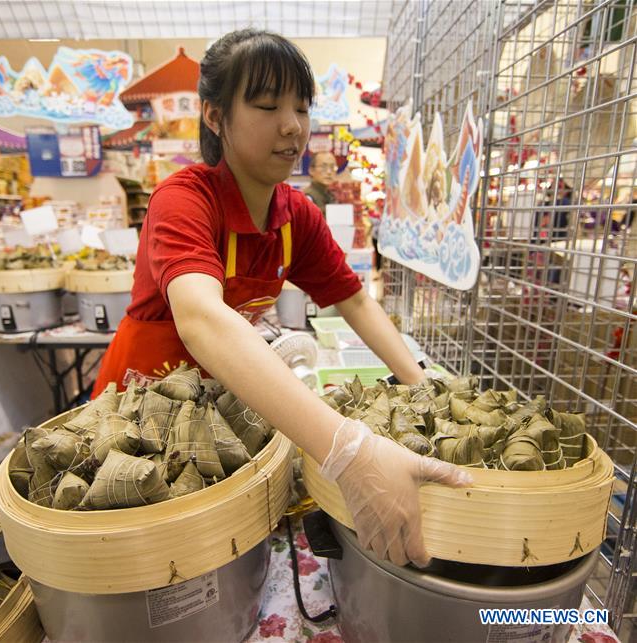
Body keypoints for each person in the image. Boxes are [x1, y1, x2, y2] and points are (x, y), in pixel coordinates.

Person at [92, 29, 471, 568]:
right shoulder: (184, 200)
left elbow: (355, 302)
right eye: (268, 105)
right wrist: (347, 450)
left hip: (217, 407)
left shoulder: (297, 216)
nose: (292, 126)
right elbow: (202, 319)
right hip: (139, 407)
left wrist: (421, 384)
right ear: (215, 116)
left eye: (301, 106)